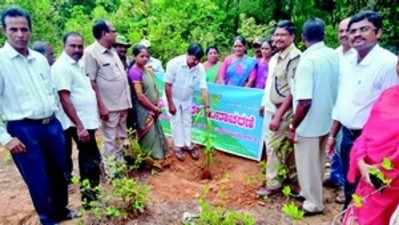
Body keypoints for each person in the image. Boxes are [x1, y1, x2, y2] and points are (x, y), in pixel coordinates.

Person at [0, 6, 75, 225]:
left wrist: (59, 123)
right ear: (5, 31)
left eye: (24, 29)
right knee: (38, 178)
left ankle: (62, 211)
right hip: (23, 129)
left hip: (51, 125)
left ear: (30, 30)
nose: (20, 35)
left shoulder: (40, 59)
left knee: (60, 172)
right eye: (14, 29)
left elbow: (52, 92)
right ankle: (47, 219)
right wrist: (6, 138)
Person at [326, 10, 399, 209]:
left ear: (378, 33)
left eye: (364, 29)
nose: (357, 34)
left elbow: (392, 112)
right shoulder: (348, 61)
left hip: (376, 145)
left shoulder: (388, 64)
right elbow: (343, 101)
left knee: (371, 194)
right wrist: (333, 134)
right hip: (348, 137)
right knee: (350, 185)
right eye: (353, 31)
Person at [288, 18, 339, 214]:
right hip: (327, 117)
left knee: (307, 163)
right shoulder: (332, 55)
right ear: (324, 35)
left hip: (308, 122)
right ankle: (312, 193)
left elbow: (304, 101)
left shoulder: (307, 61)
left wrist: (293, 126)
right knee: (317, 161)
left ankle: (313, 203)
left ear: (302, 37)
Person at [342, 57, 399, 225]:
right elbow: (366, 133)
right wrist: (360, 162)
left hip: (392, 186)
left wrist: (381, 172)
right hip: (367, 177)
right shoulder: (388, 95)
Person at [52, 32, 102, 207]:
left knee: (91, 159)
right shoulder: (61, 67)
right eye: (72, 46)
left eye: (80, 46)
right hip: (78, 123)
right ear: (64, 46)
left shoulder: (78, 64)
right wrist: (80, 126)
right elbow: (64, 98)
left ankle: (92, 197)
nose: (77, 49)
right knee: (90, 160)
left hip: (86, 121)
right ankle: (90, 201)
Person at [257, 20, 301, 197]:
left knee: (274, 146)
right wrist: (264, 103)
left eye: (282, 35)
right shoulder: (276, 57)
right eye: (276, 34)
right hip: (271, 108)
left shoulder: (295, 58)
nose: (278, 38)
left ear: (292, 36)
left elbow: (293, 91)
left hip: (283, 112)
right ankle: (287, 179)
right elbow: (271, 85)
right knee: (278, 146)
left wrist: (278, 115)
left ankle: (273, 184)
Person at [84, 20, 132, 167]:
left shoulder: (112, 51)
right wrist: (101, 107)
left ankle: (120, 164)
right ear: (104, 33)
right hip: (109, 107)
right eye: (113, 31)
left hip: (122, 104)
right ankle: (111, 170)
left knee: (122, 136)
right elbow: (91, 83)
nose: (115, 33)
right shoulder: (91, 53)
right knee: (110, 139)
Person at [324, 17, 356, 204]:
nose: (344, 34)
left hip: (350, 112)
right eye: (341, 31)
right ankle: (335, 176)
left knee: (346, 149)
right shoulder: (334, 54)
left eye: (348, 30)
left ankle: (346, 186)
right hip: (332, 107)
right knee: (334, 146)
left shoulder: (358, 56)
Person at [165, 43, 209, 161]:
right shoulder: (174, 64)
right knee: (176, 121)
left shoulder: (199, 68)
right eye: (194, 59)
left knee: (187, 121)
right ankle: (178, 146)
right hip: (173, 97)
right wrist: (170, 104)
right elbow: (167, 85)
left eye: (198, 60)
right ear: (187, 54)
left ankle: (188, 144)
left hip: (187, 98)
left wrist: (207, 106)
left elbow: (203, 88)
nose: (196, 62)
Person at [127, 45, 167, 160]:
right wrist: (153, 108)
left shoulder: (147, 70)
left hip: (153, 107)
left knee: (156, 132)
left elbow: (154, 87)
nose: (145, 59)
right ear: (135, 57)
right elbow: (140, 96)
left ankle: (160, 157)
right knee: (148, 135)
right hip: (143, 110)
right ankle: (151, 159)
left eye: (147, 56)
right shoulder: (134, 72)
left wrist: (158, 102)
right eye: (142, 56)